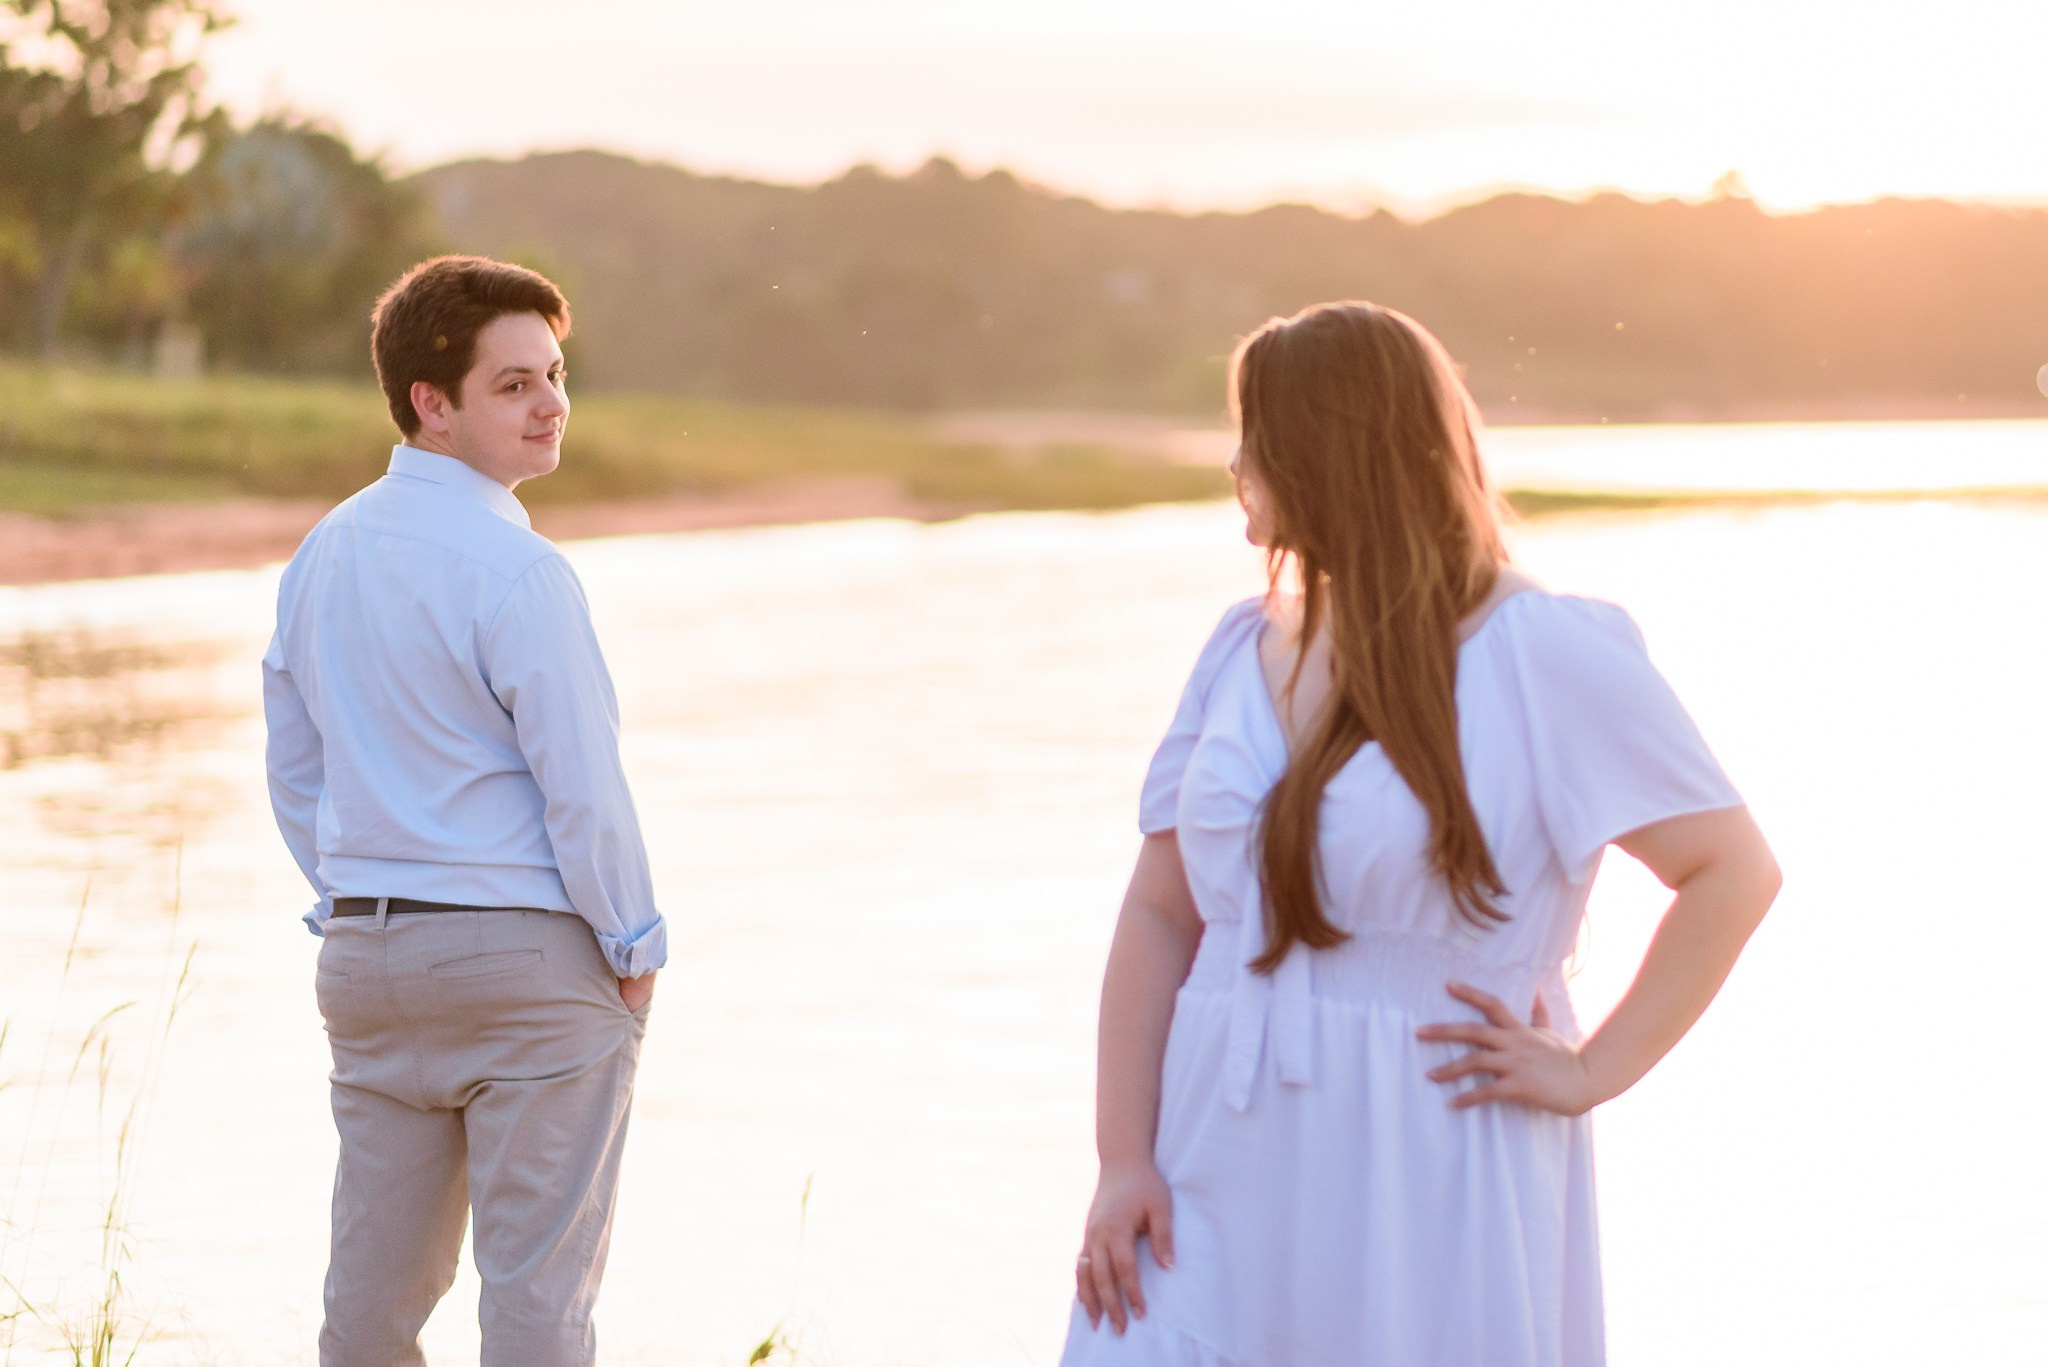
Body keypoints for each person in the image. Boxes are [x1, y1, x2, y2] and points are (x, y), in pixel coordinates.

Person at [1060, 302, 1780, 1366]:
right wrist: (1122, 1158)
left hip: (1428, 1164)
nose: (1236, 464)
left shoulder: (1539, 648)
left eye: (1257, 434)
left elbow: (1731, 869)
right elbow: (1161, 914)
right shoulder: (1235, 650)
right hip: (1209, 1162)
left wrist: (1591, 1068)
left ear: (1329, 448)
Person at [262, 255, 667, 1367]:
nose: (551, 405)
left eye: (555, 375)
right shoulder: (521, 570)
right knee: (538, 1298)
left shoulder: (321, 553)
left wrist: (355, 899)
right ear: (430, 404)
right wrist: (634, 944)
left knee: (369, 1303)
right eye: (513, 384)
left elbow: (294, 769)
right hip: (525, 968)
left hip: (367, 962)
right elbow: (583, 786)